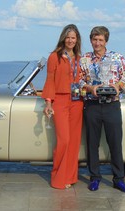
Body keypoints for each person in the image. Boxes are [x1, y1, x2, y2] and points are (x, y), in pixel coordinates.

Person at [79, 26, 125, 193]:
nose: (97, 43)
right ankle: (95, 178)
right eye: (95, 39)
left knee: (115, 143)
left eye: (100, 40)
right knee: (92, 144)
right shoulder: (84, 59)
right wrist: (89, 88)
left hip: (112, 105)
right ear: (91, 40)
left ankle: (119, 179)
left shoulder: (117, 57)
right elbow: (78, 81)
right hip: (92, 105)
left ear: (106, 41)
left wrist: (118, 86)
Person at [41, 24, 84, 189]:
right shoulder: (55, 56)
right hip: (60, 101)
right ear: (63, 38)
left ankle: (70, 177)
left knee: (73, 142)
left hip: (77, 101)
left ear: (77, 40)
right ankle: (58, 178)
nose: (71, 40)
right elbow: (50, 80)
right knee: (64, 141)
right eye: (68, 37)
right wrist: (48, 102)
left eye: (73, 37)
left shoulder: (79, 58)